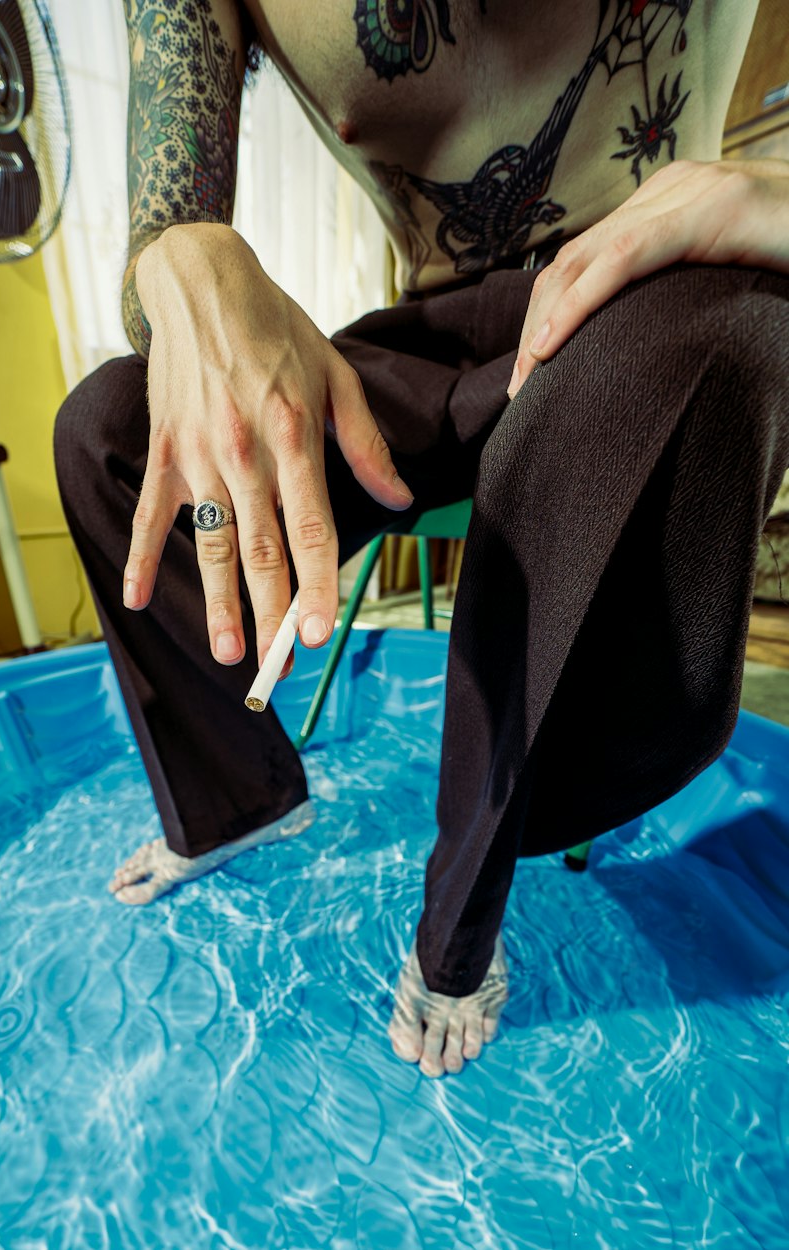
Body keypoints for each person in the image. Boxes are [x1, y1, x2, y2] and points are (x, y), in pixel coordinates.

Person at [54, 0, 789, 1079]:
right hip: (430, 338)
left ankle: (459, 933)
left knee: (633, 393)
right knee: (108, 433)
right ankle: (237, 798)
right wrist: (177, 266)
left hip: (656, 290)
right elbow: (167, 218)